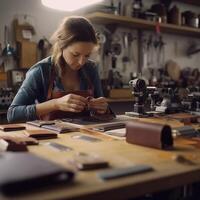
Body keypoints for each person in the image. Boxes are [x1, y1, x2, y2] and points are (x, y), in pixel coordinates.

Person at [7, 16, 109, 123]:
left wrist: (103, 108)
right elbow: (13, 114)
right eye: (75, 54)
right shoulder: (41, 71)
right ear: (61, 44)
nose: (81, 62)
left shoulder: (90, 69)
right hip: (52, 137)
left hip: (87, 134)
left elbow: (103, 110)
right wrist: (55, 104)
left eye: (87, 55)